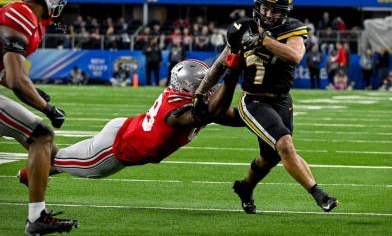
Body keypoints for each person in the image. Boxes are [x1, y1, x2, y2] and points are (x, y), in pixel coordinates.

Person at [194, 0, 337, 214]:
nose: (269, 14)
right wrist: (200, 92)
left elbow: (294, 56)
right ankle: (318, 193)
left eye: (275, 10)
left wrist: (263, 40)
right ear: (257, 6)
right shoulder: (241, 29)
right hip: (254, 99)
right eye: (265, 7)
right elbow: (219, 66)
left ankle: (245, 188)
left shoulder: (292, 29)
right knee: (284, 145)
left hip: (281, 101)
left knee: (269, 157)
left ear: (285, 12)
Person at [17, 59, 242, 184]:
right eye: (203, 85)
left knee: (65, 158)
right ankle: (19, 127)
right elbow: (203, 114)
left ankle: (31, 171)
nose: (209, 89)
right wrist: (232, 73)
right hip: (113, 151)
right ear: (188, 87)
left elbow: (231, 116)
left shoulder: (183, 96)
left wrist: (262, 116)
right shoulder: (179, 109)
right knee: (58, 157)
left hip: (124, 129)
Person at [0, 0, 79, 235]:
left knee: (47, 148)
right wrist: (48, 108)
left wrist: (35, 92)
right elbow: (15, 80)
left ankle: (37, 211)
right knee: (42, 135)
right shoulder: (21, 13)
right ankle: (36, 218)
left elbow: (5, 74)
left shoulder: (24, 17)